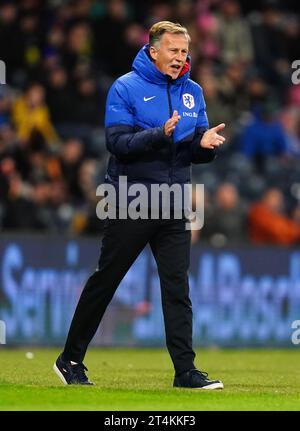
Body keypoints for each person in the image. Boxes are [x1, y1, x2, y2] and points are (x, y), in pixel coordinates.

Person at [53, 21, 225, 389]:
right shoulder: (125, 87)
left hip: (175, 201)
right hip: (131, 199)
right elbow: (118, 143)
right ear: (153, 51)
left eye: (184, 51)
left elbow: (192, 149)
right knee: (107, 281)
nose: (181, 58)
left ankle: (185, 372)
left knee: (177, 288)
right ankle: (69, 359)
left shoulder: (193, 91)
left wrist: (204, 145)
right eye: (174, 50)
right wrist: (159, 134)